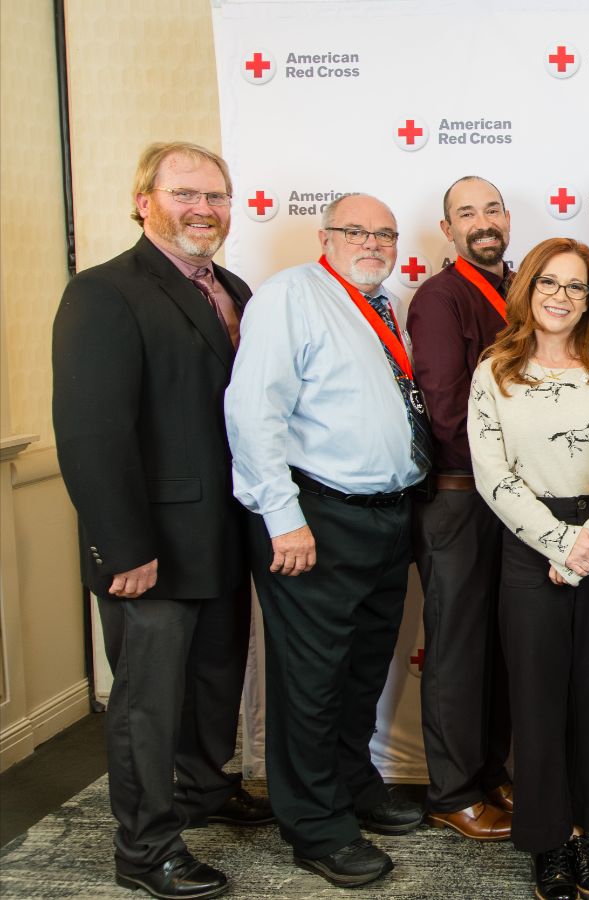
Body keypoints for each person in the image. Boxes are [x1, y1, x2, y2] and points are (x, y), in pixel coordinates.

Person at [52, 141, 270, 900]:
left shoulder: (233, 287)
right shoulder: (105, 291)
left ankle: (205, 790)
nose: (202, 209)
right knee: (146, 705)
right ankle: (145, 848)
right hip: (150, 543)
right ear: (145, 199)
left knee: (214, 680)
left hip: (223, 532)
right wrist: (124, 546)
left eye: (215, 196)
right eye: (185, 194)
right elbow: (90, 431)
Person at [225, 193, 429, 888]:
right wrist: (282, 515)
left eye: (385, 232)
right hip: (316, 516)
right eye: (355, 230)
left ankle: (352, 783)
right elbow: (254, 410)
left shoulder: (384, 303)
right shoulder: (291, 296)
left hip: (387, 515)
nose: (372, 242)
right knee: (310, 681)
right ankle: (314, 824)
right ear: (325, 235)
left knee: (362, 669)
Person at [468, 237, 589, 900]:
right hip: (528, 542)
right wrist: (556, 544)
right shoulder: (496, 371)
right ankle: (545, 842)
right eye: (548, 283)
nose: (560, 297)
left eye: (574, 286)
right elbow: (492, 473)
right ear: (529, 291)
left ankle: (583, 832)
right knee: (538, 700)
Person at [406, 175, 516, 842]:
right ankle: (451, 791)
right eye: (466, 213)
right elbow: (447, 414)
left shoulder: (518, 290)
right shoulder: (441, 299)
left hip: (506, 502)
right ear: (448, 231)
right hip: (461, 500)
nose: (483, 222)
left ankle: (488, 772)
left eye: (492, 209)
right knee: (456, 650)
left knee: (500, 647)